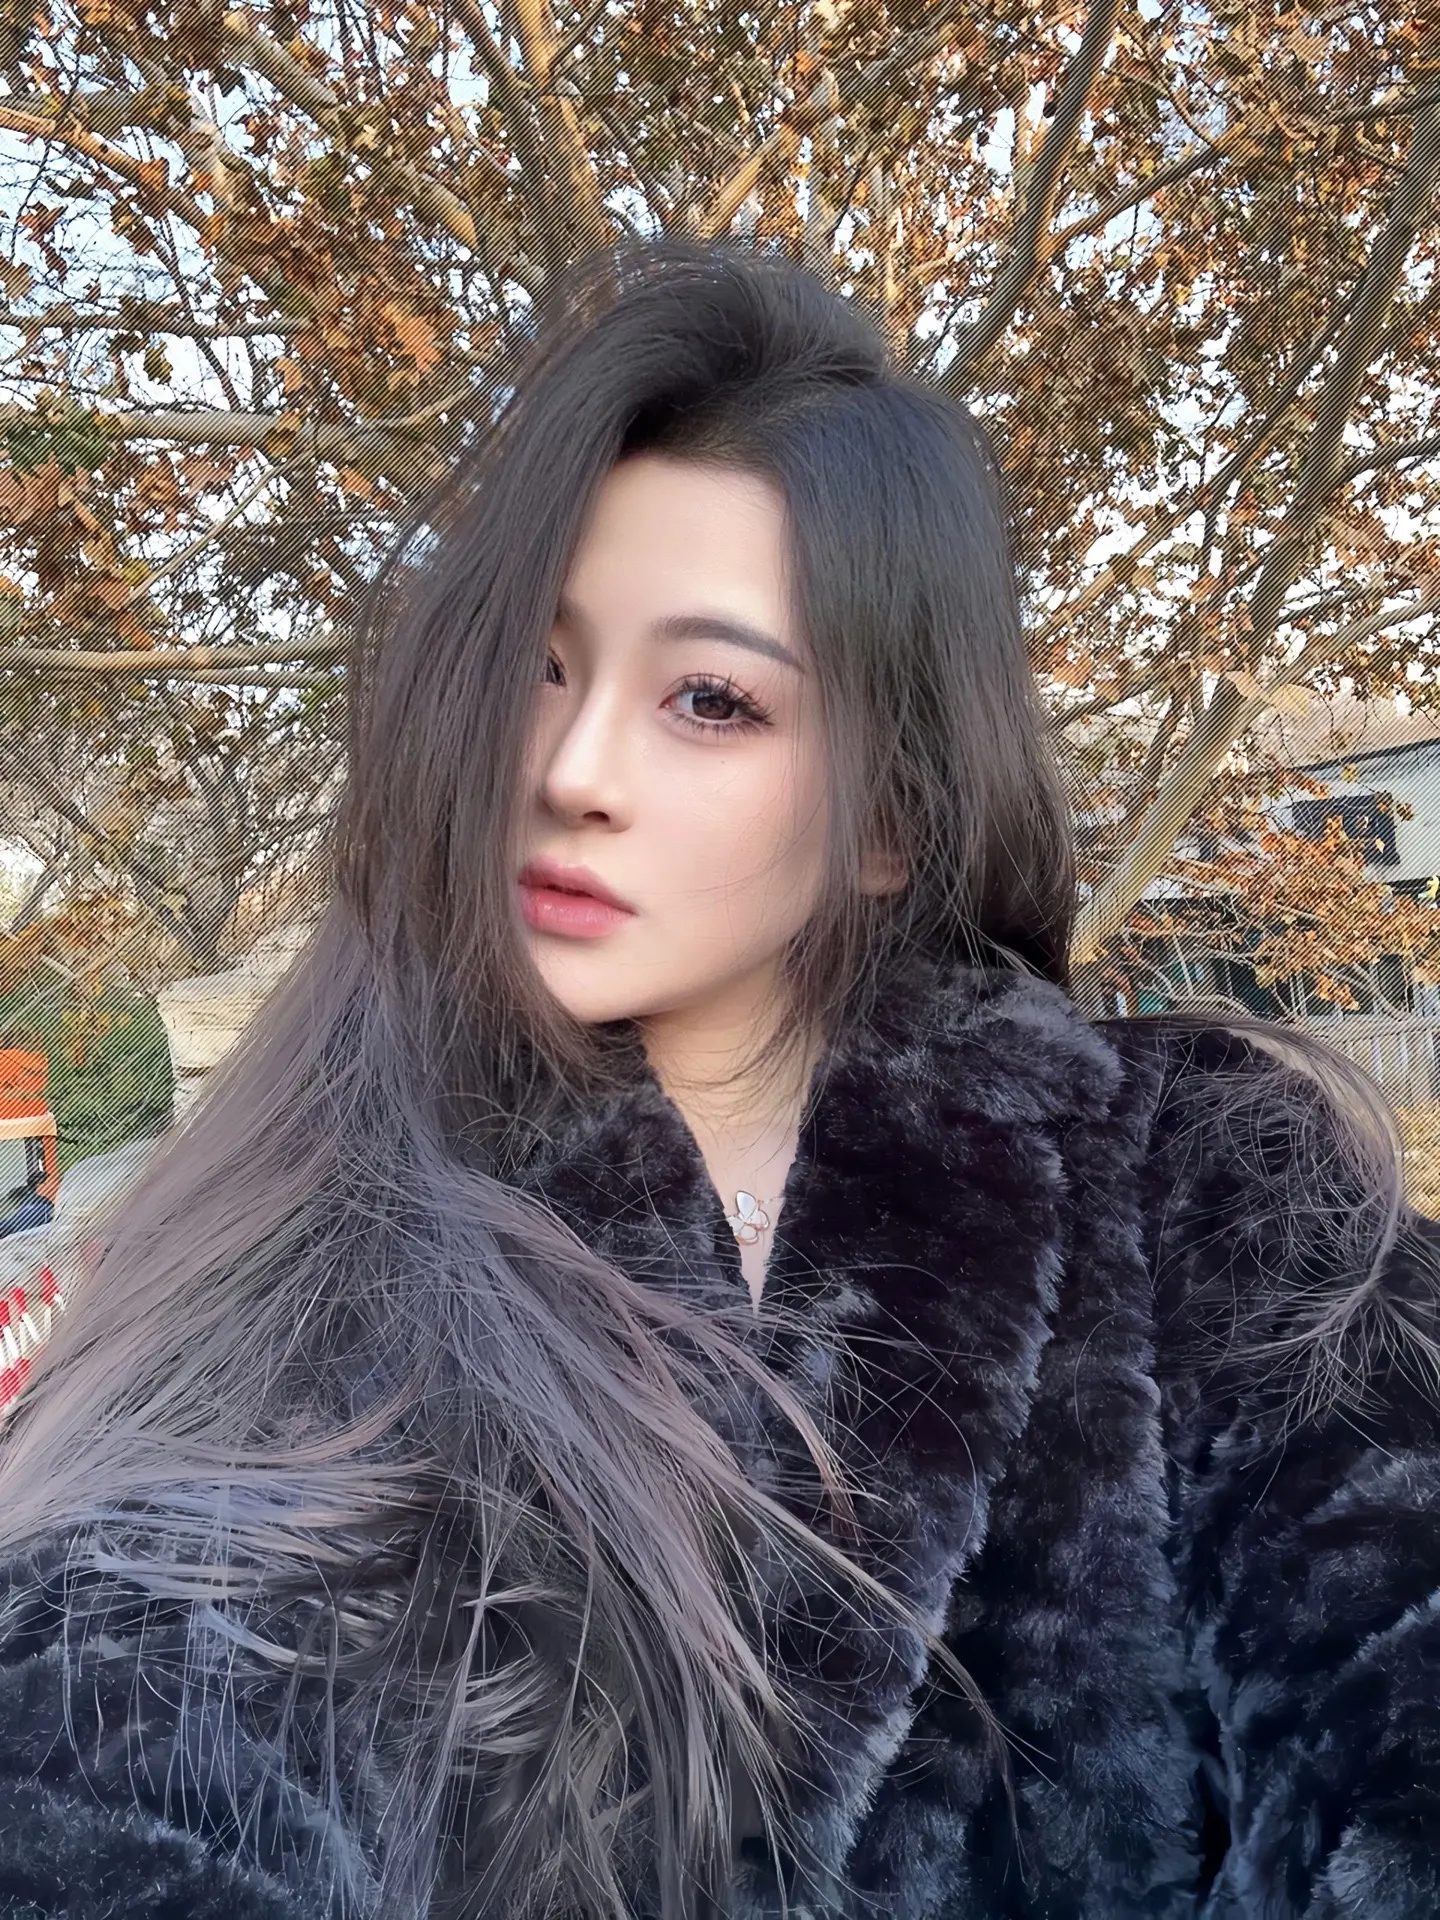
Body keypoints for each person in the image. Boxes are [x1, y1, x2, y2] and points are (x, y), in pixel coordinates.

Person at [0, 237, 1437, 1920]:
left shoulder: (1211, 1181)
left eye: (707, 698)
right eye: (539, 666)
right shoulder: (300, 1232)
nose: (569, 769)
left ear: (890, 818)